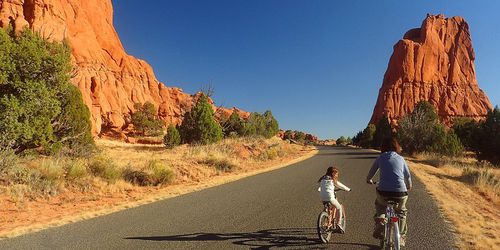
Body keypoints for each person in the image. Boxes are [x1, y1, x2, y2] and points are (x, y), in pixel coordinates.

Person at [366, 137, 412, 246]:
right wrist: (409, 186)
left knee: (380, 206)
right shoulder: (401, 159)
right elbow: (408, 176)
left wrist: (369, 180)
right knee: (401, 212)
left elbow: (371, 174)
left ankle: (381, 219)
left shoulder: (380, 158)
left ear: (383, 147)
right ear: (396, 146)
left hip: (383, 191)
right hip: (400, 192)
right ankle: (400, 236)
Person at [318, 166, 351, 233]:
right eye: (336, 174)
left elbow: (321, 188)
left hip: (322, 197)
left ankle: (327, 221)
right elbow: (340, 185)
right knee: (339, 208)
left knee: (328, 207)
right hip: (330, 197)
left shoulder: (322, 179)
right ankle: (339, 224)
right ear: (333, 173)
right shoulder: (332, 180)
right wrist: (348, 189)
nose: (337, 175)